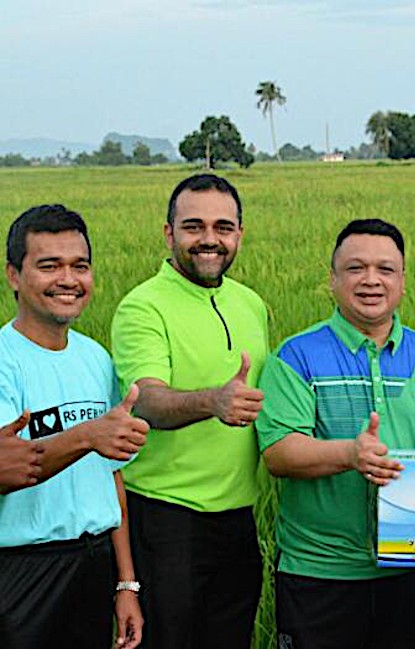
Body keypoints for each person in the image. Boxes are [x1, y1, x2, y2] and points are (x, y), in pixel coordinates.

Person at [256, 218, 415, 649]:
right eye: (356, 268)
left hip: (414, 567)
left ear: (403, 282)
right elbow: (279, 452)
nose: (371, 280)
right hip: (320, 572)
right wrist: (350, 455)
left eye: (385, 269)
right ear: (333, 280)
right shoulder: (296, 356)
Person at [111, 174, 269, 648]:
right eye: (193, 226)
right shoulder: (142, 307)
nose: (209, 240)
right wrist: (212, 401)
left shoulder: (251, 303)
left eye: (223, 227)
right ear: (169, 233)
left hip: (239, 519)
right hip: (166, 522)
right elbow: (146, 400)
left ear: (239, 234)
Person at [0, 204, 148, 649]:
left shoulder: (96, 357)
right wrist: (88, 435)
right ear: (13, 276)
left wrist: (126, 584)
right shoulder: (5, 360)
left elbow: (112, 477)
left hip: (93, 562)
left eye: (79, 266)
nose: (68, 279)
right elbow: (9, 469)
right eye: (49, 266)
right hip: (22, 570)